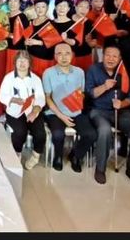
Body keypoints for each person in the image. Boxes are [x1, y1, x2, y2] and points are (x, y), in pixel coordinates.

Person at [85, 44, 130, 188]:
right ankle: (100, 169)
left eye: (114, 56)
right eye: (108, 55)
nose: (110, 59)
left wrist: (122, 103)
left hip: (120, 112)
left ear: (119, 59)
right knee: (104, 130)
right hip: (98, 110)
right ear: (103, 55)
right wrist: (105, 86)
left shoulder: (124, 71)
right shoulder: (94, 69)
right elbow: (89, 93)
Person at [42, 43, 97, 172]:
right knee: (58, 134)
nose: (64, 57)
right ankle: (58, 156)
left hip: (75, 111)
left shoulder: (79, 72)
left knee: (91, 134)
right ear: (55, 56)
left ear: (72, 55)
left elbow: (81, 92)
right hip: (55, 113)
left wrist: (77, 102)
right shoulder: (48, 73)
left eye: (67, 53)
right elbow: (47, 98)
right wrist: (62, 116)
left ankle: (75, 156)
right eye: (59, 54)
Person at [0, 51, 46, 170]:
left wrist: (35, 111)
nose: (22, 63)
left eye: (25, 60)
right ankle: (17, 154)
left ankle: (35, 156)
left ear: (30, 63)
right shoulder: (8, 78)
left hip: (32, 110)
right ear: (15, 63)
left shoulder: (35, 79)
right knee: (19, 132)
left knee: (40, 133)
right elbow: (2, 96)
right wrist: (12, 99)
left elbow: (40, 97)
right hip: (15, 112)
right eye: (19, 60)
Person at [24, 0, 56, 77]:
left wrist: (38, 42)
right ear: (34, 7)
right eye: (38, 7)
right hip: (30, 57)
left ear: (47, 8)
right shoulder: (30, 22)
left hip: (44, 59)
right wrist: (26, 42)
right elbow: (26, 36)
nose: (40, 9)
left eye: (43, 7)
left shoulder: (51, 24)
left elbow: (54, 42)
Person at [5, 0, 30, 73]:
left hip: (18, 51)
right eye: (10, 1)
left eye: (15, 1)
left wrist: (9, 35)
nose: (12, 3)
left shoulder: (22, 17)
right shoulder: (6, 16)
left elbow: (26, 35)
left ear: (20, 3)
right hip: (7, 49)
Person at [71, 0, 94, 71]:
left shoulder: (90, 23)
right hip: (69, 56)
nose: (83, 10)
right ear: (75, 7)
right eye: (81, 6)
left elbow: (93, 44)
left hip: (85, 56)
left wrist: (90, 42)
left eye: (86, 7)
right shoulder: (67, 20)